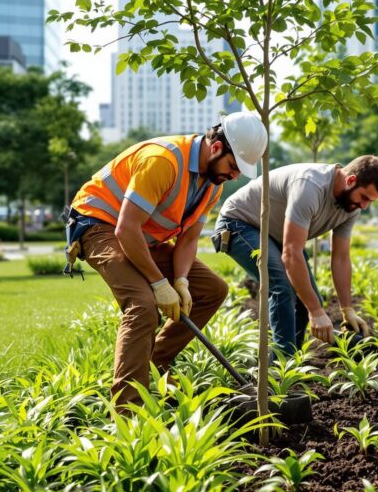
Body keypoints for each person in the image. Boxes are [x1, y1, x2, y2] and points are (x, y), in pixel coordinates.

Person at [65, 112, 267, 407]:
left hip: (143, 236)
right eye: (233, 166)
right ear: (215, 148)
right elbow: (126, 228)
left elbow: (188, 239)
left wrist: (182, 281)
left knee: (212, 290)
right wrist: (160, 284)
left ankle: (153, 364)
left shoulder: (213, 184)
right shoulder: (163, 161)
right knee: (143, 305)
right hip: (98, 224)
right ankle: (128, 413)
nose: (235, 176)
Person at [214, 155, 378, 356]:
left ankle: (291, 364)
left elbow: (341, 257)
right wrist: (316, 312)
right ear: (350, 181)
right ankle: (280, 369)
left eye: (370, 201)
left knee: (310, 298)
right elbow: (291, 253)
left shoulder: (351, 207)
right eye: (365, 197)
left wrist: (346, 309)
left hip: (274, 232)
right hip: (239, 222)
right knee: (283, 286)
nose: (364, 206)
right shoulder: (310, 185)